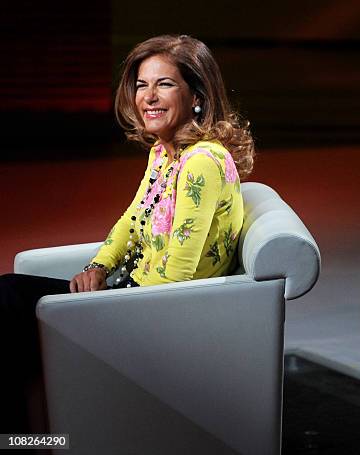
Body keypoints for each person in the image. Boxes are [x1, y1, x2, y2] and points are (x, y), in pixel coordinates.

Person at [0, 34, 254, 432]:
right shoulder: (165, 151)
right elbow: (132, 220)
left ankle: (21, 442)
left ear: (197, 95)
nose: (149, 97)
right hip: (131, 295)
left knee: (9, 303)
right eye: (141, 85)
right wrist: (98, 266)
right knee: (11, 304)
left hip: (157, 317)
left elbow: (179, 275)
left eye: (165, 84)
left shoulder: (202, 162)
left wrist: (108, 300)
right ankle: (33, 437)